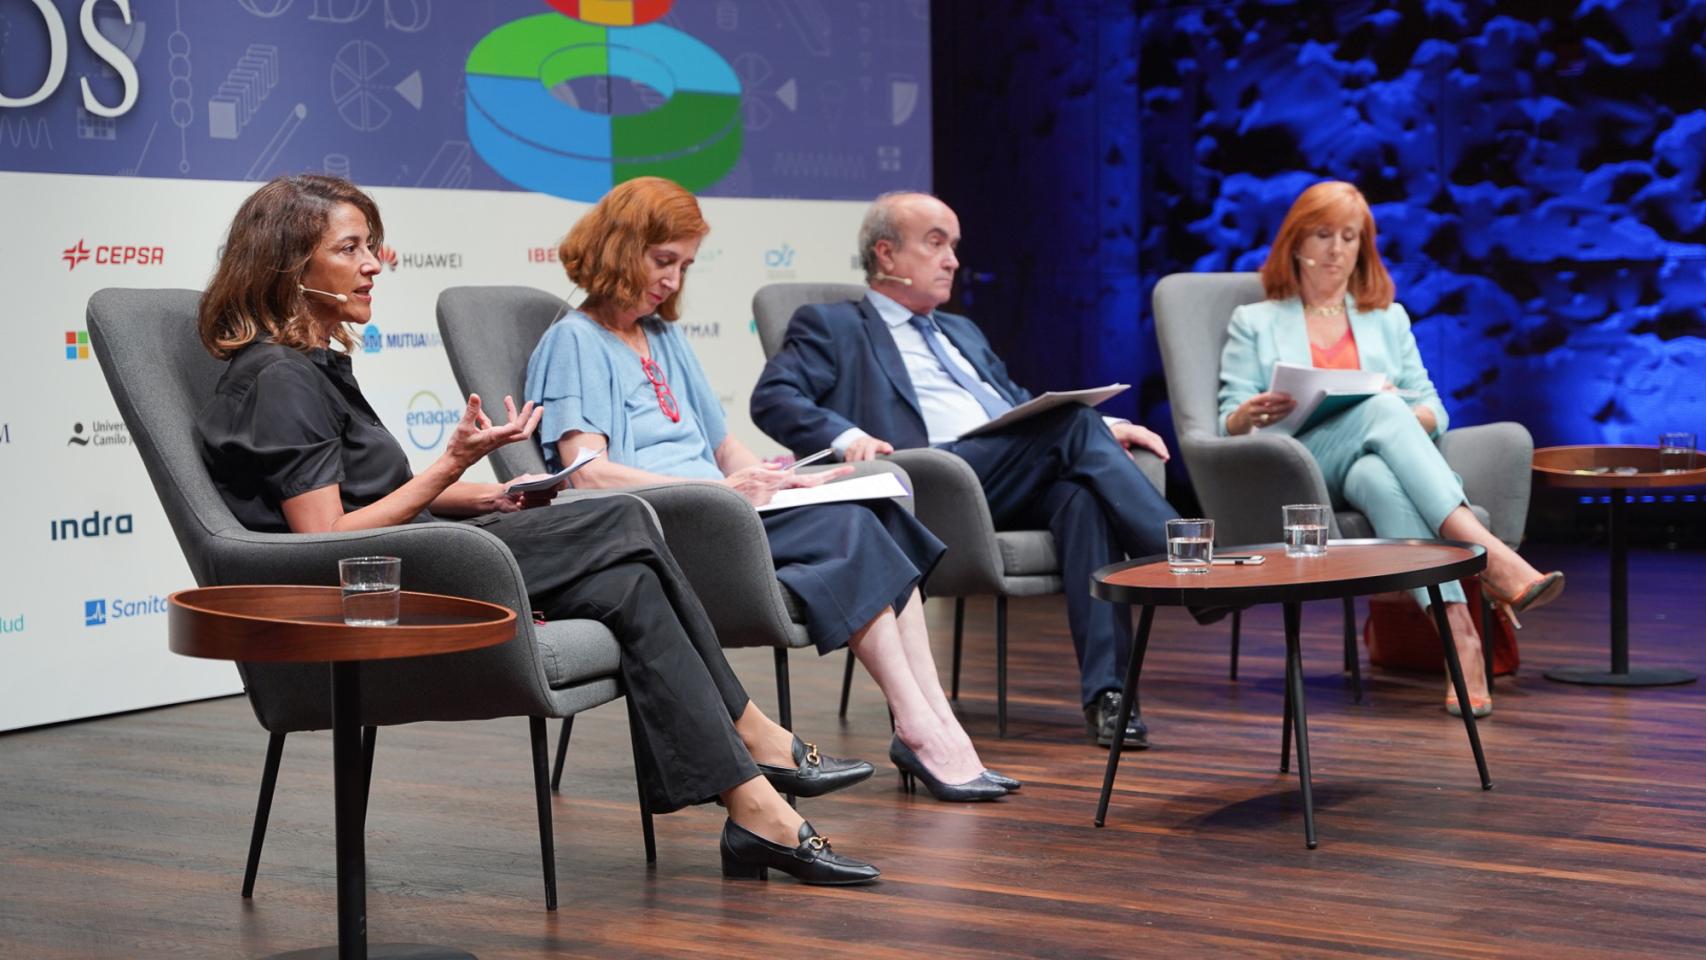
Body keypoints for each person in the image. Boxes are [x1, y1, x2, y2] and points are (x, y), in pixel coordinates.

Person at [194, 174, 880, 885]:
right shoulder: (278, 378)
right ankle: (752, 734)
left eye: (373, 246)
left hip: (417, 555)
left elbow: (381, 498)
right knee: (621, 517)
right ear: (288, 265)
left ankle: (756, 813)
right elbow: (326, 539)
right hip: (375, 594)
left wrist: (488, 496)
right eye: (351, 248)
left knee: (630, 580)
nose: (374, 263)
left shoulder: (313, 364)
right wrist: (448, 467)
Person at [526, 177, 1012, 802]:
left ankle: (933, 717)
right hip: (667, 521)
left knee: (880, 511)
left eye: (684, 265)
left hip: (720, 504)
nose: (673, 280)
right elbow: (586, 472)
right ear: (620, 247)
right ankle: (919, 728)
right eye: (662, 260)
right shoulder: (575, 340)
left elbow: (726, 446)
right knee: (852, 528)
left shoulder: (662, 336)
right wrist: (725, 487)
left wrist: (778, 480)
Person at [751, 191, 1183, 750]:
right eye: (936, 244)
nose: (953, 259)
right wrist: (850, 436)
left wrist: (1105, 429)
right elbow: (774, 398)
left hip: (998, 473)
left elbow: (1021, 409)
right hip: (930, 482)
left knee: (1082, 493)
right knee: (1077, 430)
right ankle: (1185, 565)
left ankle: (1110, 696)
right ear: (885, 255)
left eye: (954, 246)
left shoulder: (963, 332)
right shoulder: (834, 325)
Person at [1218, 180, 1565, 718]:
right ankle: (1489, 555)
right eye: (1324, 234)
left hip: (1364, 462)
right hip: (1296, 465)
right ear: (1296, 242)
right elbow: (1229, 418)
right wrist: (1249, 414)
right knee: (1381, 410)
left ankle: (1461, 641)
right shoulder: (1256, 321)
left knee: (1379, 474)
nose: (1337, 249)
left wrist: (1402, 411)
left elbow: (1433, 407)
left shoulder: (1387, 317)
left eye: (1350, 237)